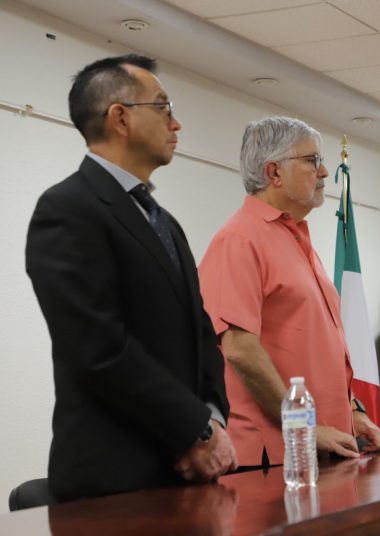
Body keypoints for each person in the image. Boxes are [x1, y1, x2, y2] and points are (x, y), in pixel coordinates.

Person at [25, 54, 237, 502]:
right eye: (163, 107)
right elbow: (98, 348)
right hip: (115, 477)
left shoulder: (164, 222)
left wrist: (213, 419)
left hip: (188, 472)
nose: (176, 123)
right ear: (120, 118)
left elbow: (201, 333)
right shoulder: (67, 209)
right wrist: (195, 431)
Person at [198, 116, 380, 469]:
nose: (325, 172)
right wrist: (305, 427)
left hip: (322, 442)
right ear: (274, 173)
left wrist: (353, 411)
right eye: (312, 160)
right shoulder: (239, 239)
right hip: (274, 455)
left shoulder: (295, 237)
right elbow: (240, 349)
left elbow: (316, 348)